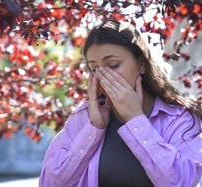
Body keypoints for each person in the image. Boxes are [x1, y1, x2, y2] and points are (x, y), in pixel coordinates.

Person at [39, 19, 202, 187]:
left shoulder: (178, 118)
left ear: (141, 64)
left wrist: (135, 120)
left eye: (113, 65)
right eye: (94, 69)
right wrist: (94, 128)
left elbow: (183, 182)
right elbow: (50, 183)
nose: (102, 76)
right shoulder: (84, 116)